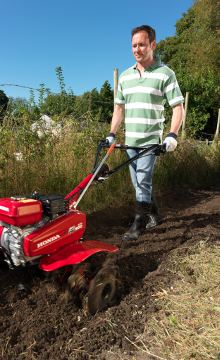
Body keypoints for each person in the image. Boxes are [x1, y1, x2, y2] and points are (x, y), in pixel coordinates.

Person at [106, 25, 184, 241]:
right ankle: (155, 215)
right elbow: (119, 108)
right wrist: (112, 133)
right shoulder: (125, 77)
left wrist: (172, 135)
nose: (137, 49)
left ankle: (138, 225)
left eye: (141, 44)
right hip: (130, 142)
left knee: (142, 181)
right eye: (134, 45)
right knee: (140, 182)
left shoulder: (165, 74)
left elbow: (177, 106)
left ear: (152, 45)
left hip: (151, 142)